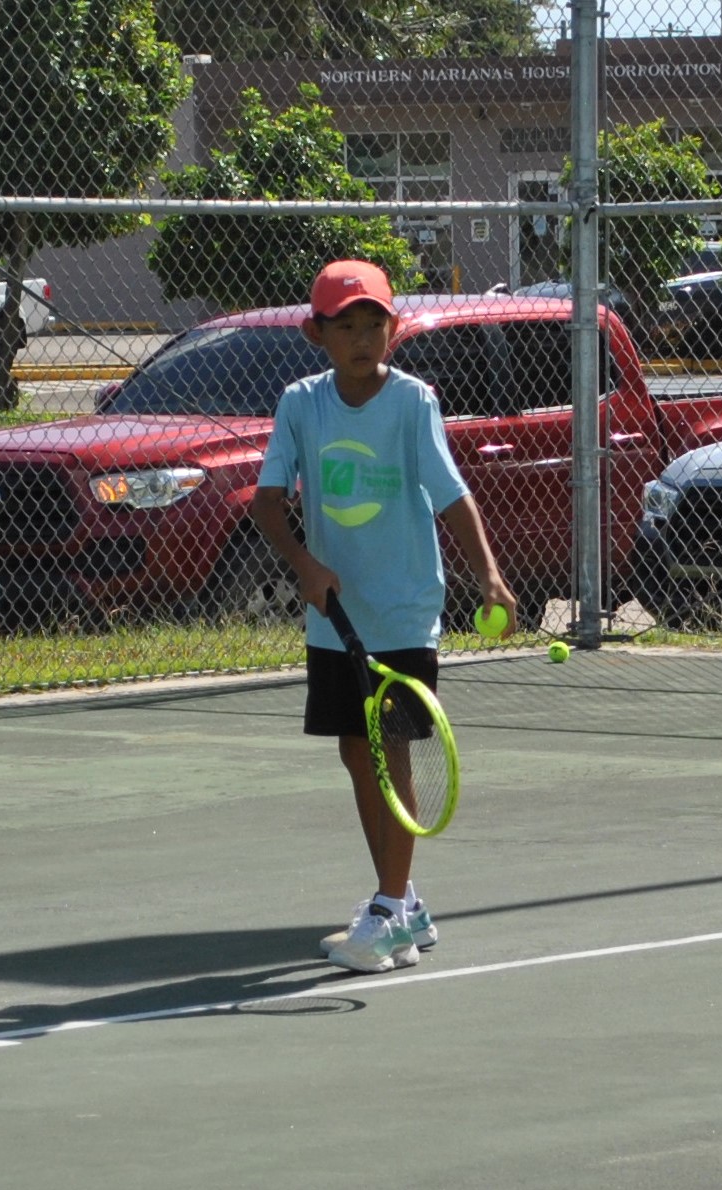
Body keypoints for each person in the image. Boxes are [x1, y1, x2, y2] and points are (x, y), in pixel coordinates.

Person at [251, 259, 517, 974]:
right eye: (347, 326)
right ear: (319, 334)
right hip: (334, 616)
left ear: (392, 331)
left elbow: (452, 495)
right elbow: (268, 501)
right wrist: (304, 565)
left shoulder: (412, 402)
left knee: (388, 748)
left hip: (401, 610)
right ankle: (403, 904)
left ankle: (388, 908)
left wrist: (489, 575)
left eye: (375, 323)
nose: (363, 337)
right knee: (354, 751)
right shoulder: (301, 404)